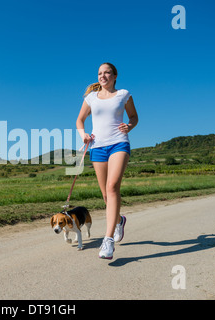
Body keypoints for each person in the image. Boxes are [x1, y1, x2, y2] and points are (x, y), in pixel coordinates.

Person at [76, 62, 138, 260]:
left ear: (115, 75)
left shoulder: (124, 95)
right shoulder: (91, 97)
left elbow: (134, 117)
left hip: (119, 144)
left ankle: (108, 240)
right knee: (105, 195)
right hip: (97, 147)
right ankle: (119, 220)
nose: (103, 76)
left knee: (112, 188)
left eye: (107, 73)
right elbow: (79, 120)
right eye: (100, 73)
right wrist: (83, 135)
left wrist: (129, 126)